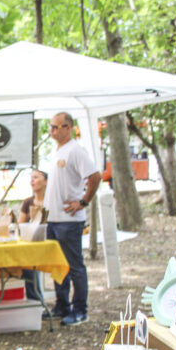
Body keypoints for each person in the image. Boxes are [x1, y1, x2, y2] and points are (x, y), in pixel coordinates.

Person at [44, 112, 102, 326]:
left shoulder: (76, 151)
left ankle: (80, 309)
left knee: (74, 265)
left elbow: (95, 176)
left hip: (69, 219)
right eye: (51, 127)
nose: (53, 131)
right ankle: (62, 304)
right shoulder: (56, 151)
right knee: (58, 264)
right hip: (53, 218)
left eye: (58, 127)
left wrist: (84, 201)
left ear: (69, 128)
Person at [18, 169, 48, 301]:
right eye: (31, 178)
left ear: (46, 181)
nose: (32, 180)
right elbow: (21, 225)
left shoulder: (51, 201)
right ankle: (35, 300)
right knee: (27, 263)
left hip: (49, 241)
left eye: (36, 177)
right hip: (32, 243)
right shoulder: (27, 202)